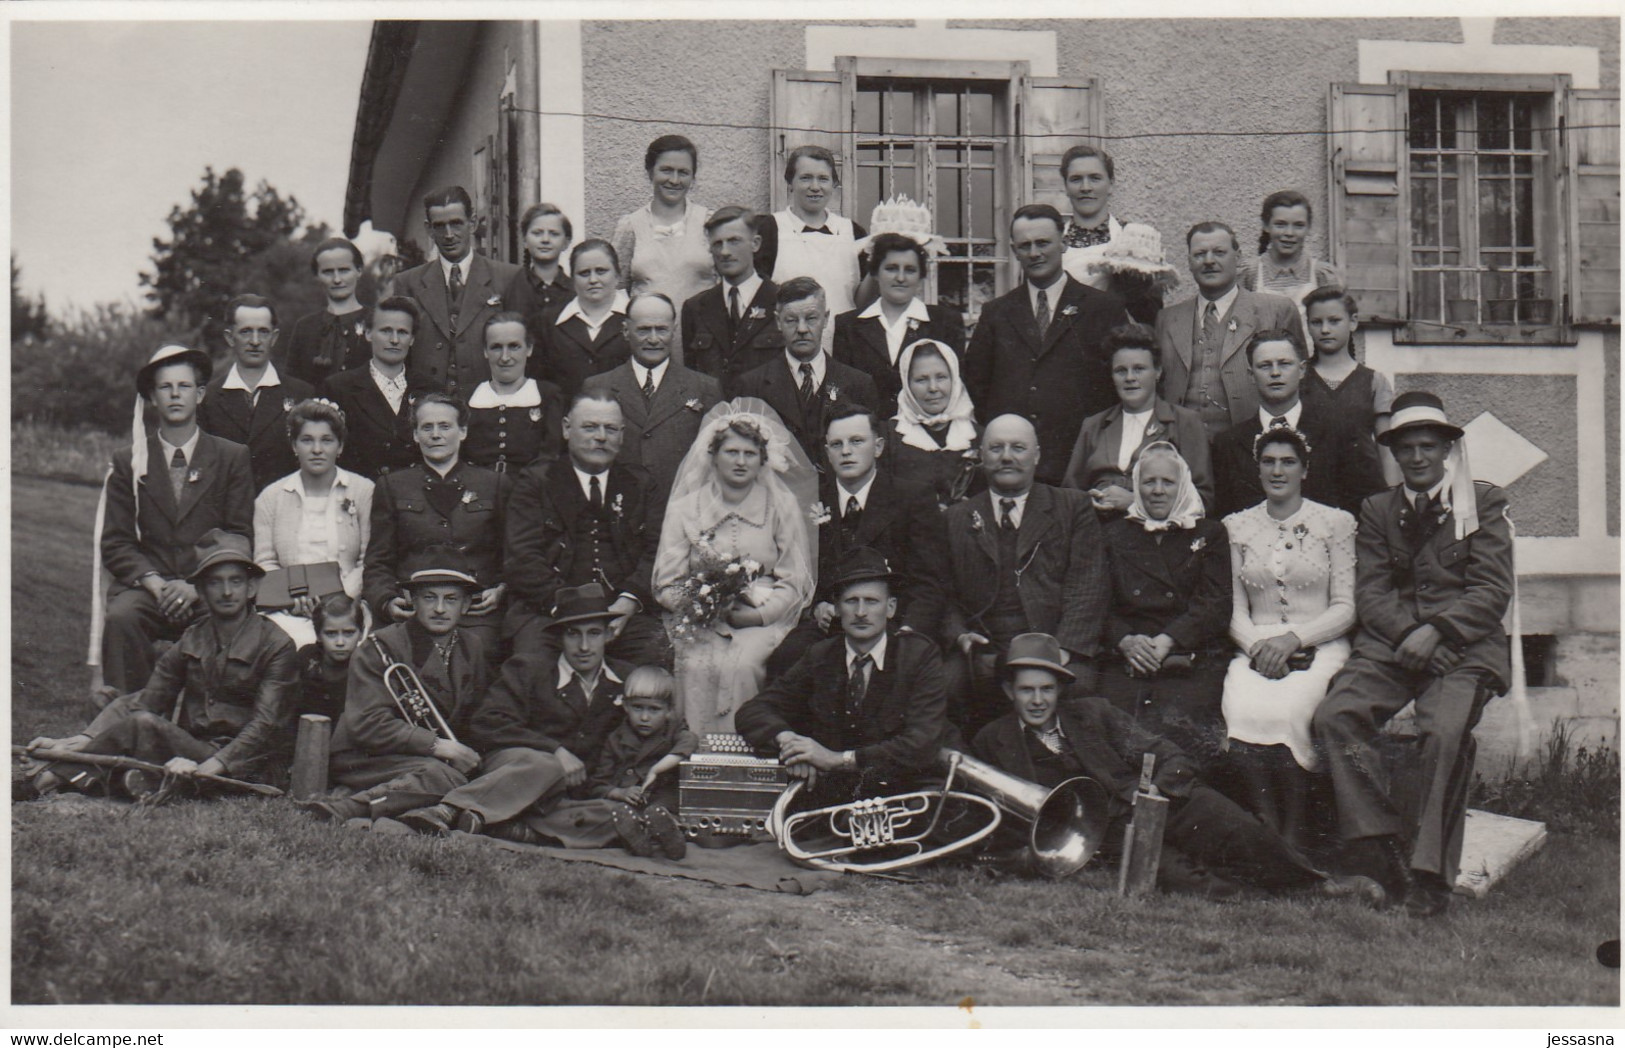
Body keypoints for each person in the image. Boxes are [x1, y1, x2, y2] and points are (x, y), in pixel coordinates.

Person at [969, 633, 1375, 902]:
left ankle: (1318, 885)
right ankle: (1257, 898)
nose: (1038, 700)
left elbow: (1166, 752)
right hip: (1099, 832)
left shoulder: (1092, 713)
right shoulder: (992, 739)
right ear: (1009, 692)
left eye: (1046, 689)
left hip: (1154, 799)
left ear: (1059, 690)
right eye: (1026, 690)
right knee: (1180, 879)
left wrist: (1158, 792)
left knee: (1231, 824)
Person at [1313, 392, 1515, 918]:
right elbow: (1372, 593)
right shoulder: (1379, 509)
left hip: (1464, 649)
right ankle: (1381, 846)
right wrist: (1412, 636)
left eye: (1428, 446)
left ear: (1447, 448)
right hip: (1394, 646)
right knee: (1337, 715)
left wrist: (1440, 633)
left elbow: (1492, 590)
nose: (1418, 457)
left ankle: (1429, 880)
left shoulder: (1483, 502)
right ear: (1395, 454)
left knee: (1444, 734)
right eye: (1407, 448)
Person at [29, 529, 297, 797]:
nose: (227, 592)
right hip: (191, 753)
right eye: (215, 582)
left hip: (244, 766)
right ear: (201, 590)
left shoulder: (277, 644)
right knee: (134, 720)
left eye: (236, 581)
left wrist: (207, 768)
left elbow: (266, 725)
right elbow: (148, 699)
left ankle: (48, 779)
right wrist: (83, 740)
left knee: (143, 726)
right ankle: (126, 781)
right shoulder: (195, 636)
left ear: (251, 587)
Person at [410, 582, 636, 843]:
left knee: (618, 813)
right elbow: (486, 723)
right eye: (574, 634)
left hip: (565, 792)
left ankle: (511, 827)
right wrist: (554, 750)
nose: (584, 646)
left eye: (594, 633)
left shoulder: (626, 679)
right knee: (544, 765)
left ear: (609, 635)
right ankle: (447, 810)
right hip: (518, 770)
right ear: (560, 636)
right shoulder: (529, 669)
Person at [1220, 427, 1357, 853]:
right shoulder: (1236, 526)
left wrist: (1294, 640)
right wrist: (1257, 648)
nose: (1277, 470)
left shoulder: (1335, 523)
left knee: (1291, 709)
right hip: (1254, 647)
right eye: (1269, 461)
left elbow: (1345, 607)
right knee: (1241, 706)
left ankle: (1294, 832)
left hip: (1318, 642)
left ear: (1305, 469)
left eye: (1288, 462)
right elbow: (1234, 609)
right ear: (1257, 467)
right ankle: (1267, 827)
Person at [737, 547, 952, 807]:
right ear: (837, 608)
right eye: (851, 601)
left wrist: (838, 760)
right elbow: (754, 711)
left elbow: (921, 743)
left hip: (905, 793)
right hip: (843, 800)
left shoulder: (919, 655)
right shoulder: (821, 655)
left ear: (891, 607)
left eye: (872, 601)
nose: (861, 612)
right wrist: (794, 746)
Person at [98, 343, 256, 694]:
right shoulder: (130, 460)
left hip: (208, 587)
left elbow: (239, 535)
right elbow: (116, 542)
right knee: (122, 617)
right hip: (150, 589)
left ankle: (207, 728)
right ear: (152, 397)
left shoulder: (231, 456)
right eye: (165, 387)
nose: (174, 395)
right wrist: (157, 585)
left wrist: (195, 585)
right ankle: (126, 720)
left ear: (200, 394)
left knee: (230, 621)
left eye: (183, 386)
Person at [653, 400, 817, 735]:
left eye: (750, 453)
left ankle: (743, 761)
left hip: (761, 617)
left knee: (743, 665)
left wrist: (757, 616)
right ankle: (693, 759)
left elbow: (794, 579)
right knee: (695, 665)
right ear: (712, 456)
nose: (741, 461)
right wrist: (701, 607)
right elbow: (665, 583)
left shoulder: (780, 504)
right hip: (700, 619)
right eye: (731, 452)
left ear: (762, 460)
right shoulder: (686, 508)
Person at [940, 413, 1109, 738]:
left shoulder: (1072, 507)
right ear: (981, 455)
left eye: (1018, 447)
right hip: (985, 647)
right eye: (996, 448)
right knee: (945, 686)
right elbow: (942, 592)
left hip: (1053, 641)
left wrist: (1063, 649)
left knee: (1078, 690)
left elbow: (1088, 586)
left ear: (1037, 455)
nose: (1006, 456)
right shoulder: (957, 517)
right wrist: (959, 635)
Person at [301, 547, 490, 824]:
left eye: (451, 599)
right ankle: (352, 808)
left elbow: (476, 711)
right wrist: (439, 746)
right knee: (444, 775)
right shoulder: (379, 645)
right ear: (411, 600)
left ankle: (423, 809)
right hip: (366, 755)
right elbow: (367, 723)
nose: (439, 609)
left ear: (465, 605)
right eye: (429, 598)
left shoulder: (472, 646)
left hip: (425, 757)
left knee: (501, 768)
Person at [766, 402, 947, 676]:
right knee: (786, 660)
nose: (846, 451)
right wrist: (818, 607)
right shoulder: (811, 500)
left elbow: (929, 581)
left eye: (856, 441)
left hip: (892, 623)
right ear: (827, 452)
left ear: (878, 447)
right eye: (836, 444)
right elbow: (801, 571)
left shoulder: (912, 498)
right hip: (831, 625)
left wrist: (910, 629)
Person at [962, 204, 1129, 486]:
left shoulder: (1103, 309)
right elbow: (976, 385)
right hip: (1013, 467)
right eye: (1025, 245)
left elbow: (1115, 389)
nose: (1035, 253)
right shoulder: (997, 313)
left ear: (1063, 243)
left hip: (1079, 466)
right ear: (1014, 251)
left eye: (1043, 243)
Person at [502, 392, 667, 665]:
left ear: (622, 435)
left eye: (611, 429)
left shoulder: (640, 484)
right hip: (550, 611)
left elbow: (658, 552)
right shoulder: (536, 481)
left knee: (661, 658)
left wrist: (628, 602)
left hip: (621, 613)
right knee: (532, 664)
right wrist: (568, 608)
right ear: (567, 428)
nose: (601, 436)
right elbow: (522, 558)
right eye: (589, 427)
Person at [1099, 443, 1232, 765]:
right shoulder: (1112, 534)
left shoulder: (1209, 533)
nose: (1157, 491)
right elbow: (1097, 602)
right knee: (1112, 723)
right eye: (1148, 482)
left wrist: (1168, 640)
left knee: (1183, 725)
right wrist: (1126, 641)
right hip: (1129, 653)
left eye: (1167, 482)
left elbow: (1215, 602)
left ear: (1182, 485)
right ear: (1136, 486)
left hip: (1190, 652)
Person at [363, 393, 511, 657]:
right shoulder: (393, 486)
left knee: (478, 657)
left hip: (475, 613)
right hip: (413, 612)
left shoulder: (494, 485)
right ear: (416, 435)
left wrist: (501, 589)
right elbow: (378, 561)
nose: (435, 435)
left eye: (445, 426)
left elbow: (511, 555)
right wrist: (386, 601)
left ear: (463, 431)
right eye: (426, 427)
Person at [1210, 328, 1387, 519]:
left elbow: (1370, 503)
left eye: (1285, 364)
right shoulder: (1228, 444)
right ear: (1251, 375)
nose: (1275, 373)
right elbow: (1222, 514)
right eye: (1264, 366)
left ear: (1302, 370)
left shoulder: (1341, 431)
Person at [1156, 221, 1307, 440]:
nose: (1209, 261)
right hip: (1182, 444)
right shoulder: (1167, 319)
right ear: (1189, 262)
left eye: (1219, 252)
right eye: (1199, 254)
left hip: (1250, 446)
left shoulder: (1276, 311)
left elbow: (1301, 383)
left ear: (1237, 257)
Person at [252, 398, 375, 649]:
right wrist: (290, 596)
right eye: (307, 440)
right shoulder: (271, 496)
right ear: (294, 446)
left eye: (326, 440)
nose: (317, 449)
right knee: (286, 647)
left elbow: (369, 559)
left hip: (349, 608)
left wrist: (340, 599)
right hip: (288, 611)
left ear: (340, 446)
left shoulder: (364, 491)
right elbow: (264, 561)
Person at [1061, 322, 1214, 516]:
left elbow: (1203, 500)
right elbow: (1068, 494)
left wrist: (1135, 503)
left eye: (1139, 369)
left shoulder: (1185, 422)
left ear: (1157, 372)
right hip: (1097, 531)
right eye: (1121, 370)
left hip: (1159, 537)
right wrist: (1089, 502)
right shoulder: (1094, 425)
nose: (1130, 378)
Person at [582, 293, 724, 502]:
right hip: (618, 513)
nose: (653, 339)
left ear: (674, 331)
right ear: (626, 331)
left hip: (681, 510)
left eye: (662, 329)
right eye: (644, 330)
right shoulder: (597, 387)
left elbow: (717, 461)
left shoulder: (705, 388)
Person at [729, 276, 879, 465]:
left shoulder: (859, 384)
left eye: (811, 318)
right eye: (791, 320)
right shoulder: (751, 386)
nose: (801, 329)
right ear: (777, 322)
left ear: (825, 319)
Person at [394, 185, 523, 397]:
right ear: (428, 229)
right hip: (430, 407)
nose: (448, 234)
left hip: (489, 403)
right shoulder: (408, 283)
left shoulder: (507, 278)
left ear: (472, 223)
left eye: (456, 224)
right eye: (439, 226)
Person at [833, 232, 965, 419]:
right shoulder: (848, 325)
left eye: (910, 270)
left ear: (921, 276)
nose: (901, 278)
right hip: (868, 435)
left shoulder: (945, 322)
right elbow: (841, 391)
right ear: (876, 273)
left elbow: (956, 390)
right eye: (891, 268)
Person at [611, 135, 716, 362]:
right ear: (650, 172)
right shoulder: (631, 226)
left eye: (683, 172)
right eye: (666, 170)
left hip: (700, 345)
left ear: (693, 177)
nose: (674, 180)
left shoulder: (709, 223)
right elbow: (617, 290)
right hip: (647, 345)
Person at [198, 294, 316, 494]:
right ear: (229, 337)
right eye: (245, 332)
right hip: (228, 517)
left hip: (286, 511)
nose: (255, 341)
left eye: (263, 332)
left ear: (274, 337)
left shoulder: (301, 394)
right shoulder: (207, 398)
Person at [1055, 144, 1166, 324]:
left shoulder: (1134, 238)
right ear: (1066, 187)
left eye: (1095, 178)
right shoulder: (1055, 241)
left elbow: (1152, 318)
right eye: (1076, 179)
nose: (1085, 187)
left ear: (1111, 184)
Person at [318, 298, 428, 480]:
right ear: (368, 333)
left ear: (412, 339)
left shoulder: (428, 389)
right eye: (386, 331)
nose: (394, 340)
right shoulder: (338, 388)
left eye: (402, 332)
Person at [759, 145, 867, 321]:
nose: (815, 187)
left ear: (834, 184)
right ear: (790, 182)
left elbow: (863, 301)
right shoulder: (771, 229)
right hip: (787, 343)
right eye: (806, 178)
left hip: (844, 343)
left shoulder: (853, 232)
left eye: (823, 179)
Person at [682, 206, 784, 389]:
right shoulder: (695, 308)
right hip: (713, 414)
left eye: (734, 241)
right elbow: (692, 380)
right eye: (717, 244)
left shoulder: (782, 301)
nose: (724, 252)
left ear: (756, 243)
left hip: (768, 414)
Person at [463, 312, 565, 473]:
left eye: (514, 346)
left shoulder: (548, 396)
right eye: (496, 347)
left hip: (532, 492)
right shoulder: (467, 398)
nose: (505, 357)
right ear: (485, 351)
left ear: (529, 349)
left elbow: (551, 456)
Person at [886, 339, 983, 509]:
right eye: (921, 380)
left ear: (954, 379)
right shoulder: (890, 436)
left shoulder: (977, 436)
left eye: (941, 377)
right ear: (907, 384)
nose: (933, 388)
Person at [540, 239, 633, 399]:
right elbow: (542, 383)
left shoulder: (636, 317)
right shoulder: (549, 321)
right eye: (584, 273)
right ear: (573, 279)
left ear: (617, 275)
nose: (593, 280)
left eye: (601, 271)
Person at [1302, 286, 1394, 440]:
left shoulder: (1375, 381)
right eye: (1316, 322)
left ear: (1353, 322)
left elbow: (1385, 448)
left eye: (1334, 321)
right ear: (1308, 326)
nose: (1325, 330)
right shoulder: (1297, 377)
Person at [283, 237, 373, 387]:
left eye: (344, 270)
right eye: (328, 272)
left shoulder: (377, 321)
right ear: (317, 276)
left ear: (359, 271)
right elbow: (292, 385)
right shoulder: (304, 327)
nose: (337, 279)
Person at [1240, 190, 1343, 312]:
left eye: (1298, 225)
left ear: (1308, 228)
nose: (1289, 233)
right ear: (1266, 226)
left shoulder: (1322, 275)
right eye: (1280, 224)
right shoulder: (1250, 274)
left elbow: (1335, 324)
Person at [504, 203, 576, 340]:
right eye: (537, 233)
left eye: (554, 234)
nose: (545, 240)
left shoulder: (574, 291)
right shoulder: (512, 286)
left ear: (566, 243)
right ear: (525, 240)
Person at [293, 593, 368, 724]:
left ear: (361, 633)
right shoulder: (306, 658)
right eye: (331, 634)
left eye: (349, 633)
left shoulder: (367, 666)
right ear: (318, 635)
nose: (340, 642)